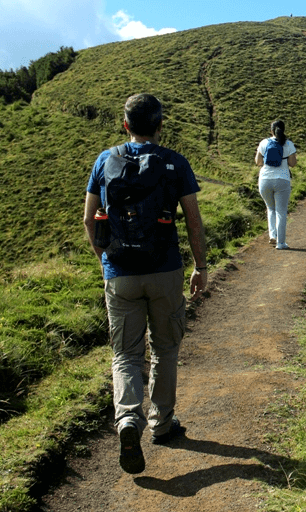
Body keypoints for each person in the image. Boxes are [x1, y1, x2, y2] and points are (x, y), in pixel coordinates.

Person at [83, 93, 208, 475]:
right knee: (166, 347)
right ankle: (162, 423)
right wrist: (200, 266)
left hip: (119, 272)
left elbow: (89, 220)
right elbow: (193, 220)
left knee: (125, 354)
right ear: (159, 126)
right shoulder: (175, 161)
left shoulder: (105, 160)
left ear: (125, 126)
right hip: (165, 269)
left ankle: (127, 422)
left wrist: (106, 260)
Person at [254, 119, 297, 250]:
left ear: (271, 130)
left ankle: (273, 235)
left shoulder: (264, 142)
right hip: (282, 180)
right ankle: (281, 243)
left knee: (270, 208)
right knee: (281, 212)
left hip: (265, 179)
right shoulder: (288, 144)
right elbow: (293, 164)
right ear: (283, 130)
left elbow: (258, 162)